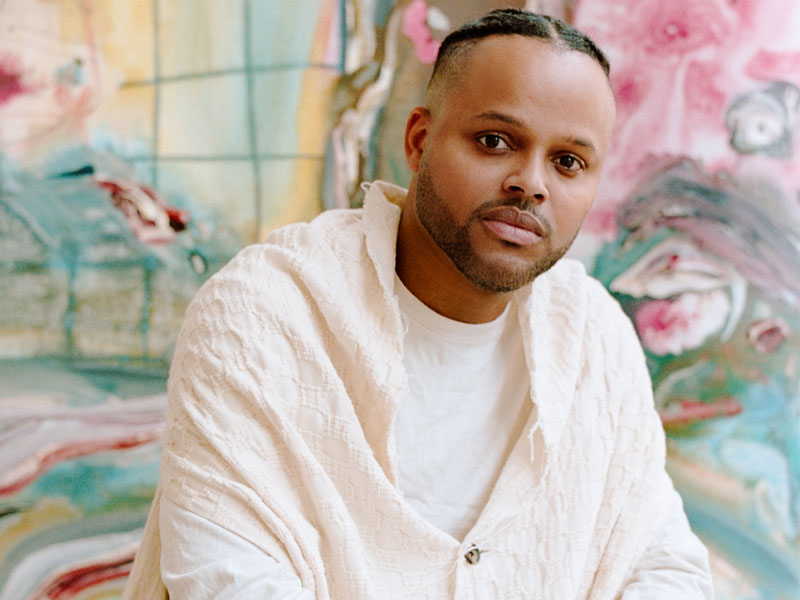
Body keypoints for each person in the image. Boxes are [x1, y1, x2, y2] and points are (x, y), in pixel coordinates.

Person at [123, 9, 713, 599]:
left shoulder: (594, 336)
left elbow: (663, 563)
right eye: (494, 141)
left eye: (568, 162)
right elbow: (231, 582)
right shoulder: (261, 315)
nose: (531, 183)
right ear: (419, 140)